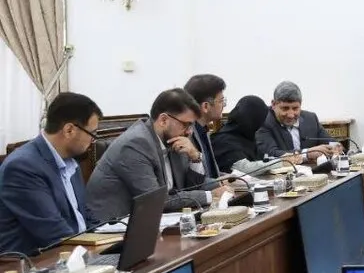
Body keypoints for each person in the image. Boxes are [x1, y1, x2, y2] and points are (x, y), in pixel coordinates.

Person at [87, 88, 234, 219]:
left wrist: (195, 157)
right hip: (110, 227)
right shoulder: (135, 144)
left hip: (151, 220)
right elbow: (157, 200)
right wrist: (211, 195)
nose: (190, 132)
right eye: (186, 124)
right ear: (163, 120)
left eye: (192, 125)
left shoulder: (173, 140)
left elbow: (190, 187)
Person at [0, 92, 103, 255]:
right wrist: (95, 254)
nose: (93, 140)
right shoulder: (23, 167)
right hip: (36, 263)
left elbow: (86, 217)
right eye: (92, 134)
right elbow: (54, 234)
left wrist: (113, 239)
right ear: (69, 130)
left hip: (74, 254)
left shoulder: (71, 162)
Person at [212, 95, 303, 174]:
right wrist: (280, 162)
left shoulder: (247, 137)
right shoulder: (224, 140)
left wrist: (282, 158)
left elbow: (260, 159)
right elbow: (245, 168)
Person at [256, 81, 343, 162]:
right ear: (274, 104)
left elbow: (330, 142)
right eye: (285, 108)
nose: (290, 115)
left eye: (295, 108)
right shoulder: (262, 121)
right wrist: (307, 154)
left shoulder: (311, 118)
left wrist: (336, 147)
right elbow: (270, 154)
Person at [183, 73, 226, 180]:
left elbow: (210, 173)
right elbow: (192, 180)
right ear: (206, 106)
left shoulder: (203, 129)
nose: (224, 105)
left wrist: (229, 178)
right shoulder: (186, 134)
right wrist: (218, 183)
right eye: (221, 101)